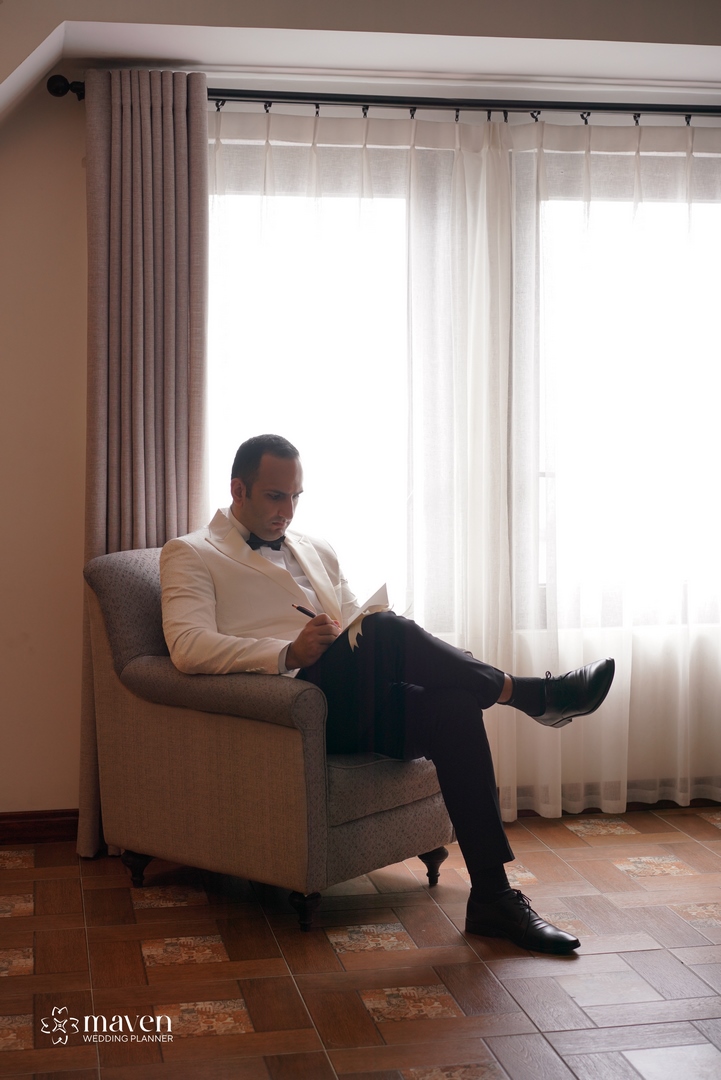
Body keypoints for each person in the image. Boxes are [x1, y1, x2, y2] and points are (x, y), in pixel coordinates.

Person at [161, 434, 615, 954]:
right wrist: (287, 652)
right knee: (385, 631)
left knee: (451, 704)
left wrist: (361, 631)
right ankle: (528, 694)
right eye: (275, 496)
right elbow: (187, 647)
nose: (287, 510)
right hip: (295, 710)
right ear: (238, 489)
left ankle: (493, 897)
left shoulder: (315, 548)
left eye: (296, 496)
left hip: (358, 701)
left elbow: (356, 624)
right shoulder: (191, 553)